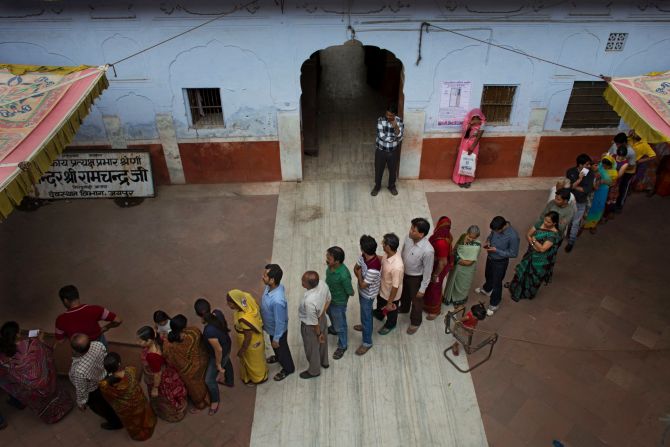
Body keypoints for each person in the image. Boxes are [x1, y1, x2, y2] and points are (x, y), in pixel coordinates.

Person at [0, 322, 73, 424]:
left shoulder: (3, 355)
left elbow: (7, 373)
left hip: (29, 389)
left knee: (41, 403)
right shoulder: (31, 344)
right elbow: (46, 352)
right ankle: (64, 408)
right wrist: (41, 339)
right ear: (17, 334)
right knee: (54, 394)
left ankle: (50, 418)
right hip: (45, 381)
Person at [68, 333, 123, 430]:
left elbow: (82, 390)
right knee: (112, 397)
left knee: (102, 408)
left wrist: (81, 403)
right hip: (106, 377)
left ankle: (116, 423)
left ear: (74, 350)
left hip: (94, 390)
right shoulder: (98, 345)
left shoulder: (78, 371)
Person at [100, 352, 157, 441]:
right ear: (119, 364)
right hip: (139, 402)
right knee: (144, 416)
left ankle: (138, 434)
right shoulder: (130, 371)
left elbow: (108, 397)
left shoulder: (104, 385)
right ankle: (148, 426)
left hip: (125, 409)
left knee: (133, 422)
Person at [136, 326, 187, 422]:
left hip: (160, 378)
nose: (137, 343)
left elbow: (157, 374)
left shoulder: (152, 356)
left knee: (165, 398)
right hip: (167, 370)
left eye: (140, 341)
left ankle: (173, 412)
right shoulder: (158, 341)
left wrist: (155, 388)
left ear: (149, 340)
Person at [194, 298, 234, 415]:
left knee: (209, 380)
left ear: (197, 314)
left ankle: (215, 401)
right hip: (227, 345)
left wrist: (218, 365)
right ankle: (229, 381)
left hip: (219, 353)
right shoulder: (218, 313)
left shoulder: (209, 331)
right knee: (228, 361)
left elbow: (218, 350)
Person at [509, 211, 561, 301]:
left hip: (540, 260)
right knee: (522, 270)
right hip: (531, 253)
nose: (545, 223)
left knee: (533, 276)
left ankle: (527, 293)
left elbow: (542, 249)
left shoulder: (553, 235)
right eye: (545, 220)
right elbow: (528, 234)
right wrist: (534, 245)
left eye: (548, 222)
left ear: (554, 223)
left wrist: (534, 241)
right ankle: (515, 287)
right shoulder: (539, 223)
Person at [162, 314, 210, 411]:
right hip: (201, 362)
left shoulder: (168, 344)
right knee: (202, 380)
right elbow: (201, 344)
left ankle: (200, 402)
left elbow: (168, 357)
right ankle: (207, 395)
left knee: (193, 386)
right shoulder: (193, 332)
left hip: (186, 370)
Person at [475, 216, 520, 316]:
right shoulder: (496, 228)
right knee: (488, 274)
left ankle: (494, 303)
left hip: (500, 262)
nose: (494, 232)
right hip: (490, 257)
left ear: (503, 227)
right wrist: (488, 241)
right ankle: (487, 289)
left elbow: (513, 253)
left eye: (496, 231)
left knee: (497, 282)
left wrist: (497, 251)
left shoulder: (513, 236)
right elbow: (491, 235)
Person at [55, 285, 122, 347]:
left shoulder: (60, 320)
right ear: (77, 296)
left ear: (65, 300)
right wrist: (106, 328)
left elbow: (61, 341)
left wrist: (69, 332)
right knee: (102, 358)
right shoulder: (95, 309)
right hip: (99, 344)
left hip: (80, 349)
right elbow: (118, 320)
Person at [226, 290, 269, 386]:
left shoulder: (244, 319)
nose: (228, 305)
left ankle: (258, 378)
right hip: (258, 339)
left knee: (252, 362)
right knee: (258, 359)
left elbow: (248, 337)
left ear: (235, 302)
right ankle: (262, 374)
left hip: (251, 344)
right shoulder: (247, 298)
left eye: (229, 303)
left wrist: (242, 350)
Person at [400, 218, 435, 334]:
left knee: (416, 301)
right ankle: (404, 308)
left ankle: (415, 322)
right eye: (411, 228)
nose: (410, 231)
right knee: (404, 294)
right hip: (403, 272)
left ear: (421, 234)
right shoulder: (408, 238)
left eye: (413, 230)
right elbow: (403, 251)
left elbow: (427, 271)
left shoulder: (428, 251)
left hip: (415, 278)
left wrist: (422, 289)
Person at [261, 264, 295, 381]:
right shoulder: (271, 287)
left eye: (265, 275)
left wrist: (276, 338)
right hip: (271, 328)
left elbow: (280, 322)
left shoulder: (277, 301)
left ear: (272, 280)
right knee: (277, 349)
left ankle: (288, 368)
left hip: (277, 332)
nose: (262, 277)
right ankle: (278, 357)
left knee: (282, 349)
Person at [298, 271, 331, 379]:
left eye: (303, 281)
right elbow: (328, 299)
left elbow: (314, 324)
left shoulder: (309, 302)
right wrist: (321, 314)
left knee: (312, 348)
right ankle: (324, 361)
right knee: (323, 344)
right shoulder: (322, 284)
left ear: (308, 285)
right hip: (322, 319)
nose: (301, 282)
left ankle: (314, 371)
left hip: (311, 326)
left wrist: (318, 334)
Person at [352, 235, 382, 356]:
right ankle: (365, 326)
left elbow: (363, 284)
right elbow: (356, 267)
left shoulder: (373, 268)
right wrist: (359, 276)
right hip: (363, 292)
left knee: (366, 316)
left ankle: (367, 343)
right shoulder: (364, 256)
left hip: (367, 295)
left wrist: (359, 275)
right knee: (366, 313)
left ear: (363, 249)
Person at [324, 247, 354, 359]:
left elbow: (350, 292)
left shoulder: (343, 275)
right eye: (327, 257)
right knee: (329, 313)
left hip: (339, 303)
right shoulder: (330, 267)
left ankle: (342, 345)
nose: (326, 260)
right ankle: (333, 329)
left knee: (340, 324)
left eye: (329, 258)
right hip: (329, 299)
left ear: (337, 261)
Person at [373, 233, 404, 335]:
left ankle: (390, 324)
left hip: (391, 295)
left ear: (388, 246)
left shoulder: (397, 267)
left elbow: (395, 286)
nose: (382, 244)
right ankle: (380, 314)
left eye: (383, 243)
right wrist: (372, 255)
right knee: (380, 304)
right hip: (383, 289)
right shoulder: (389, 254)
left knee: (391, 311)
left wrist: (390, 302)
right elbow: (384, 260)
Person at [443, 225, 481, 307]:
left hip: (466, 270)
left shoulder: (476, 246)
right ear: (467, 233)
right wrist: (453, 256)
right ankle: (448, 297)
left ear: (477, 237)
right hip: (457, 266)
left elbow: (469, 263)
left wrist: (457, 259)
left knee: (462, 285)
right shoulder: (463, 236)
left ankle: (458, 300)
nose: (471, 239)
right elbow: (456, 247)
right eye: (469, 236)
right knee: (452, 281)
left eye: (473, 238)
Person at [424, 216, 454, 318]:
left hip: (438, 268)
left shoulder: (441, 242)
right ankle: (426, 303)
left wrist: (435, 274)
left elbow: (443, 262)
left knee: (434, 287)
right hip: (435, 264)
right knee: (430, 285)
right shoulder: (446, 235)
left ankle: (434, 311)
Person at [372, 104, 404, 196]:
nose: (388, 117)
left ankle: (391, 186)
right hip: (381, 150)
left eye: (390, 115)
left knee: (393, 170)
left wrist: (396, 127)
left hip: (393, 151)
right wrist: (395, 138)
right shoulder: (380, 120)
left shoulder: (399, 121)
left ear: (395, 115)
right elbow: (381, 137)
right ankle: (377, 186)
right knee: (378, 170)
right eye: (387, 114)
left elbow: (401, 137)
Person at [564, 154, 594, 253]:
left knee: (576, 223)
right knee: (565, 219)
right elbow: (569, 186)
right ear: (580, 165)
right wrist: (580, 179)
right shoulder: (570, 172)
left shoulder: (590, 174)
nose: (589, 166)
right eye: (587, 164)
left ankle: (571, 242)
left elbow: (587, 190)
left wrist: (574, 186)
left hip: (581, 202)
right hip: (569, 200)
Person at [452, 108, 486, 188]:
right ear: (471, 118)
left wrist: (473, 146)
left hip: (474, 145)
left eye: (477, 118)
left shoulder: (482, 124)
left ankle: (468, 180)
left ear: (480, 118)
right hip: (465, 144)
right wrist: (470, 125)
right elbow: (466, 135)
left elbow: (479, 136)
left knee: (471, 162)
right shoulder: (467, 123)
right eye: (474, 118)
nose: (476, 120)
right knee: (462, 161)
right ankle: (459, 180)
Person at [583, 157, 617, 233]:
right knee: (587, 206)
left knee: (598, 206)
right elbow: (581, 175)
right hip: (591, 191)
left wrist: (602, 181)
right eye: (603, 164)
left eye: (606, 166)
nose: (603, 167)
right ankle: (583, 224)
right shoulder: (592, 168)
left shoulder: (613, 172)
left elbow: (612, 183)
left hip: (602, 192)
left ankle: (593, 224)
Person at [608, 132, 637, 212]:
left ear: (624, 143)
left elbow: (632, 165)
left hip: (627, 172)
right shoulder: (615, 145)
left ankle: (619, 205)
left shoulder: (631, 152)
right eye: (616, 143)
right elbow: (609, 154)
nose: (616, 146)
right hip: (614, 171)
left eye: (618, 144)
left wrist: (621, 167)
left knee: (623, 189)